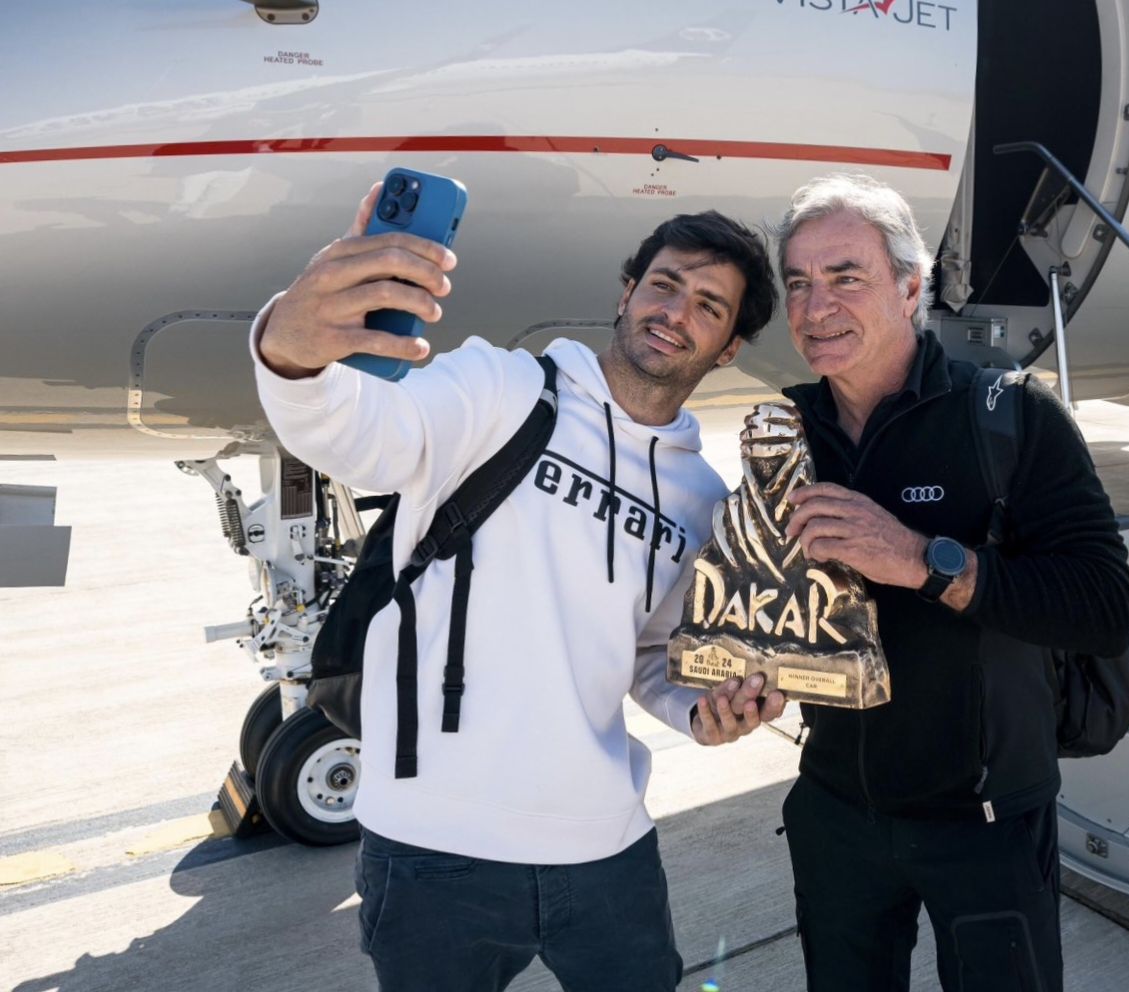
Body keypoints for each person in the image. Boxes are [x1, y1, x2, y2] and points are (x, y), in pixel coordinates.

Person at [252, 185, 787, 992]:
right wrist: (291, 355)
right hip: (434, 853)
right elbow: (362, 435)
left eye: (708, 305)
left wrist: (699, 713)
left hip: (607, 850)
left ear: (729, 346)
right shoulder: (499, 391)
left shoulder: (702, 502)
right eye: (664, 284)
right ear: (627, 290)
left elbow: (649, 653)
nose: (675, 311)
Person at [774, 174, 1129, 991]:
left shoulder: (1009, 417)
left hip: (985, 825)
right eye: (797, 282)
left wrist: (920, 560)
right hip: (836, 812)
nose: (814, 305)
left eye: (845, 277)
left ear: (910, 287)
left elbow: (1105, 609)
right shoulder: (790, 433)